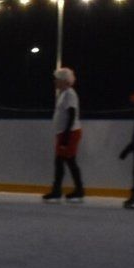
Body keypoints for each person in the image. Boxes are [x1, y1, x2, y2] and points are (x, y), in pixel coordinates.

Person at [42, 68, 85, 203]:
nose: (55, 81)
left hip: (70, 132)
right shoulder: (64, 94)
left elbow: (72, 113)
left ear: (64, 81)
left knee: (65, 161)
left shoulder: (69, 94)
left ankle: (63, 190)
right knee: (64, 161)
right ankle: (70, 190)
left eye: (57, 79)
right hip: (65, 132)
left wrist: (66, 136)